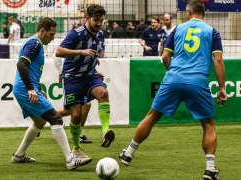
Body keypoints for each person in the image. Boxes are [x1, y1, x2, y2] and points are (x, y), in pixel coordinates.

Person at [119, 1, 227, 180]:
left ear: (189, 11)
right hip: (198, 81)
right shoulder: (212, 32)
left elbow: (165, 56)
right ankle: (209, 169)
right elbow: (218, 60)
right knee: (208, 125)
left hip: (174, 78)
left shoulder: (177, 30)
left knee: (152, 115)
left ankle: (128, 153)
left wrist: (173, 76)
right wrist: (222, 88)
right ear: (204, 13)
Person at [11, 17, 92, 170]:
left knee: (40, 122)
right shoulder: (35, 43)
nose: (53, 37)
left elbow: (29, 69)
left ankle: (19, 156)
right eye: (51, 34)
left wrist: (37, 87)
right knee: (55, 118)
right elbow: (21, 64)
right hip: (24, 89)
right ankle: (70, 159)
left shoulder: (36, 44)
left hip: (24, 88)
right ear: (42, 31)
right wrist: (30, 88)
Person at [55, 4, 115, 159]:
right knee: (75, 114)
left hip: (89, 75)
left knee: (103, 93)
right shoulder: (76, 33)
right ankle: (76, 148)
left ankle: (105, 132)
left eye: (101, 20)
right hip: (73, 77)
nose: (99, 24)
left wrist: (94, 68)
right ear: (88, 18)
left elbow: (92, 54)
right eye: (96, 20)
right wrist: (81, 51)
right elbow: (59, 51)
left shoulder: (100, 34)